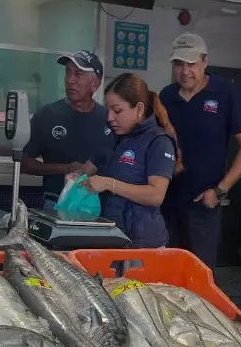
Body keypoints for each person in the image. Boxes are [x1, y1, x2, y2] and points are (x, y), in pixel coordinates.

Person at [159, 33, 241, 268]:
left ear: (205, 61)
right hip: (166, 202)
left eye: (191, 64)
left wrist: (219, 192)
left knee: (199, 276)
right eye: (179, 64)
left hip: (202, 204)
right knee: (165, 274)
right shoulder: (166, 96)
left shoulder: (226, 94)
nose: (185, 71)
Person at [80, 74, 177, 248]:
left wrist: (109, 184)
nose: (110, 117)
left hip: (143, 243)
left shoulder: (158, 142)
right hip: (110, 235)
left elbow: (156, 195)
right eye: (108, 110)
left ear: (139, 109)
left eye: (117, 111)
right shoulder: (112, 136)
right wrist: (75, 178)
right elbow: (88, 170)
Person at [21, 51, 114, 209]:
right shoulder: (47, 115)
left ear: (96, 84)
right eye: (68, 73)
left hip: (99, 206)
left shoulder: (109, 119)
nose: (70, 80)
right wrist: (64, 168)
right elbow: (24, 163)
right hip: (56, 203)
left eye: (78, 74)